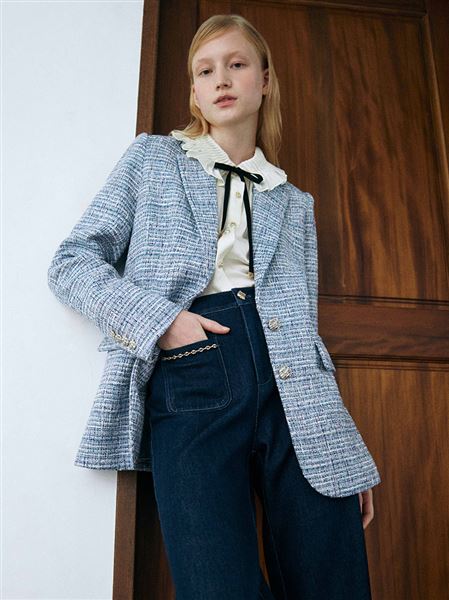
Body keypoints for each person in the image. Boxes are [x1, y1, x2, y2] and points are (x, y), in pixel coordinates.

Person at [48, 13, 381, 600]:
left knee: (334, 580)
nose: (221, 79)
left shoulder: (293, 200)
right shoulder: (153, 160)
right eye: (205, 70)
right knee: (216, 585)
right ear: (195, 91)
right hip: (194, 368)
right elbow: (71, 263)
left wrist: (343, 444)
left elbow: (305, 334)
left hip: (296, 392)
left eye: (237, 64)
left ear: (265, 80)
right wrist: (163, 323)